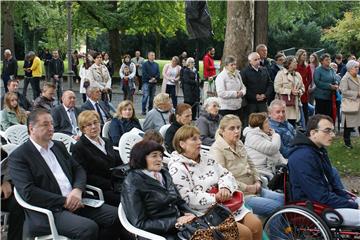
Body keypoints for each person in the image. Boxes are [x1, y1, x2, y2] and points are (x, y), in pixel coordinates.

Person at [8, 109, 124, 239]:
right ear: (31, 128)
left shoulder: (58, 146)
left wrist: (78, 189)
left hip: (78, 200)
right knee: (88, 228)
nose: (51, 128)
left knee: (116, 216)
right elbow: (28, 192)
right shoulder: (19, 156)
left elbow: (78, 169)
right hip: (50, 210)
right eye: (45, 124)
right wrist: (65, 201)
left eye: (52, 124)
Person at [169, 125, 263, 240]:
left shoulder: (206, 157)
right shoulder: (177, 168)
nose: (199, 142)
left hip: (226, 204)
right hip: (205, 213)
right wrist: (215, 197)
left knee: (256, 225)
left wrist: (225, 188)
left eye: (199, 138)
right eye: (194, 139)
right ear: (182, 144)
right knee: (244, 234)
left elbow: (226, 174)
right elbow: (186, 198)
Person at [288, 114, 360, 227]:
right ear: (313, 133)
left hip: (328, 201)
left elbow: (333, 185)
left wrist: (349, 199)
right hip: (315, 208)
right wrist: (353, 205)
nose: (332, 135)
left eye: (332, 131)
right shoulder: (302, 157)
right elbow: (320, 196)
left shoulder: (318, 150)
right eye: (327, 131)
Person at [210, 115, 284, 217]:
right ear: (222, 131)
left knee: (285, 200)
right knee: (277, 208)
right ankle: (277, 232)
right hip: (239, 195)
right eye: (232, 128)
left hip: (255, 188)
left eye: (238, 127)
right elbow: (222, 178)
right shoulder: (217, 149)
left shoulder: (239, 143)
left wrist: (258, 180)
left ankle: (279, 229)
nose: (236, 131)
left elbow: (252, 165)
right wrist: (248, 188)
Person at [122, 140, 196, 239]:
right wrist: (176, 222)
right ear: (141, 158)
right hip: (158, 234)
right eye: (154, 156)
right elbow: (139, 223)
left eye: (160, 155)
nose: (159, 159)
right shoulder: (132, 183)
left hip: (180, 225)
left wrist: (190, 214)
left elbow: (179, 201)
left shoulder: (164, 174)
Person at [72, 110, 123, 206]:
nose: (94, 127)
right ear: (83, 129)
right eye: (89, 125)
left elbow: (118, 162)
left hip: (118, 182)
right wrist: (111, 184)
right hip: (102, 189)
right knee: (131, 199)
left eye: (95, 122)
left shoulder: (106, 141)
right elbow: (84, 174)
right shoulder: (79, 147)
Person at [243, 112, 287, 180]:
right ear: (259, 125)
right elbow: (273, 148)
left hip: (270, 170)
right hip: (261, 174)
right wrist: (275, 135)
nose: (269, 125)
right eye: (266, 122)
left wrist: (287, 164)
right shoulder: (252, 137)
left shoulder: (263, 135)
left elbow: (277, 154)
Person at [241, 52, 273, 126]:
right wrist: (254, 96)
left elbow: (270, 83)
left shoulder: (264, 69)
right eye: (255, 60)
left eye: (259, 59)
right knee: (251, 124)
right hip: (251, 103)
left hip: (263, 102)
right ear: (250, 61)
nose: (258, 61)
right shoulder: (244, 72)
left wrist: (265, 95)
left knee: (264, 122)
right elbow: (243, 87)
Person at [274, 55, 305, 127]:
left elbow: (303, 88)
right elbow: (277, 88)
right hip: (283, 105)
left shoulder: (297, 75)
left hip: (295, 104)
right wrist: (290, 91)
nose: (296, 63)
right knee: (282, 126)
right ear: (289, 64)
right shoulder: (280, 74)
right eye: (294, 62)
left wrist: (299, 91)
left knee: (292, 125)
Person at [1, 148, 24, 240]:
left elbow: (7, 169)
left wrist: (7, 182)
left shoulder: (2, 154)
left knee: (18, 203)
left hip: (3, 194)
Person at [339, 60, 360, 149]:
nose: (357, 69)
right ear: (350, 68)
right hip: (350, 104)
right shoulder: (345, 78)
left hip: (358, 104)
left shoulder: (358, 77)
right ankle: (347, 143)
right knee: (348, 125)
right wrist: (357, 94)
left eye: (358, 67)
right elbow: (344, 92)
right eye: (355, 67)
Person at [313, 53, 339, 120]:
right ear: (321, 61)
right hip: (320, 97)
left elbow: (335, 78)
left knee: (328, 115)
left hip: (330, 96)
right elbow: (317, 82)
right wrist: (329, 86)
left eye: (329, 59)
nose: (328, 61)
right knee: (320, 115)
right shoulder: (318, 70)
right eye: (326, 60)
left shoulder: (332, 70)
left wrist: (336, 83)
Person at [295, 49, 312, 125]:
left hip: (304, 89)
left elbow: (310, 78)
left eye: (305, 55)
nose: (305, 56)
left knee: (305, 107)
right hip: (295, 88)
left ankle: (306, 124)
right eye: (303, 55)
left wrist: (305, 86)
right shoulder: (295, 65)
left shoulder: (307, 66)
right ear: (299, 56)